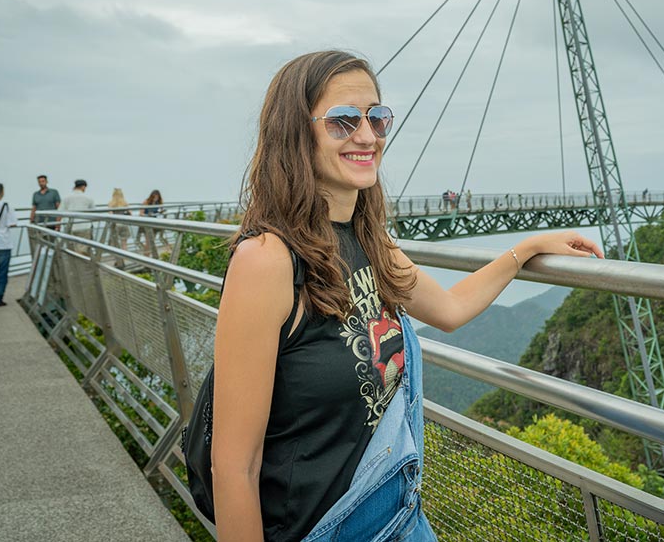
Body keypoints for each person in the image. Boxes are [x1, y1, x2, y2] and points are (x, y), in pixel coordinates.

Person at [211, 51, 603, 542]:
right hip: (323, 530)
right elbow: (234, 466)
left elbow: (449, 309)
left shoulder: (368, 240)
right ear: (296, 132)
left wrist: (524, 250)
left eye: (377, 118)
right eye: (343, 121)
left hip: (400, 515)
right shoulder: (267, 259)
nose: (367, 136)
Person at [0, 183, 20, 306]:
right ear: (2, 192)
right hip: (4, 243)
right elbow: (12, 223)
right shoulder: (6, 206)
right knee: (3, 273)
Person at [61, 179, 95, 251]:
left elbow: (60, 211)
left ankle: (75, 261)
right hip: (84, 226)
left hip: (70, 226)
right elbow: (94, 211)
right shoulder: (88, 197)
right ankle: (83, 261)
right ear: (83, 187)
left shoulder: (66, 197)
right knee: (83, 248)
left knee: (72, 248)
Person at [107, 188, 132, 258]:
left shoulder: (111, 203)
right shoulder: (125, 203)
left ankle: (117, 259)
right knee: (124, 243)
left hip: (115, 224)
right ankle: (124, 258)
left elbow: (110, 214)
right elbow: (130, 213)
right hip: (124, 224)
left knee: (114, 243)